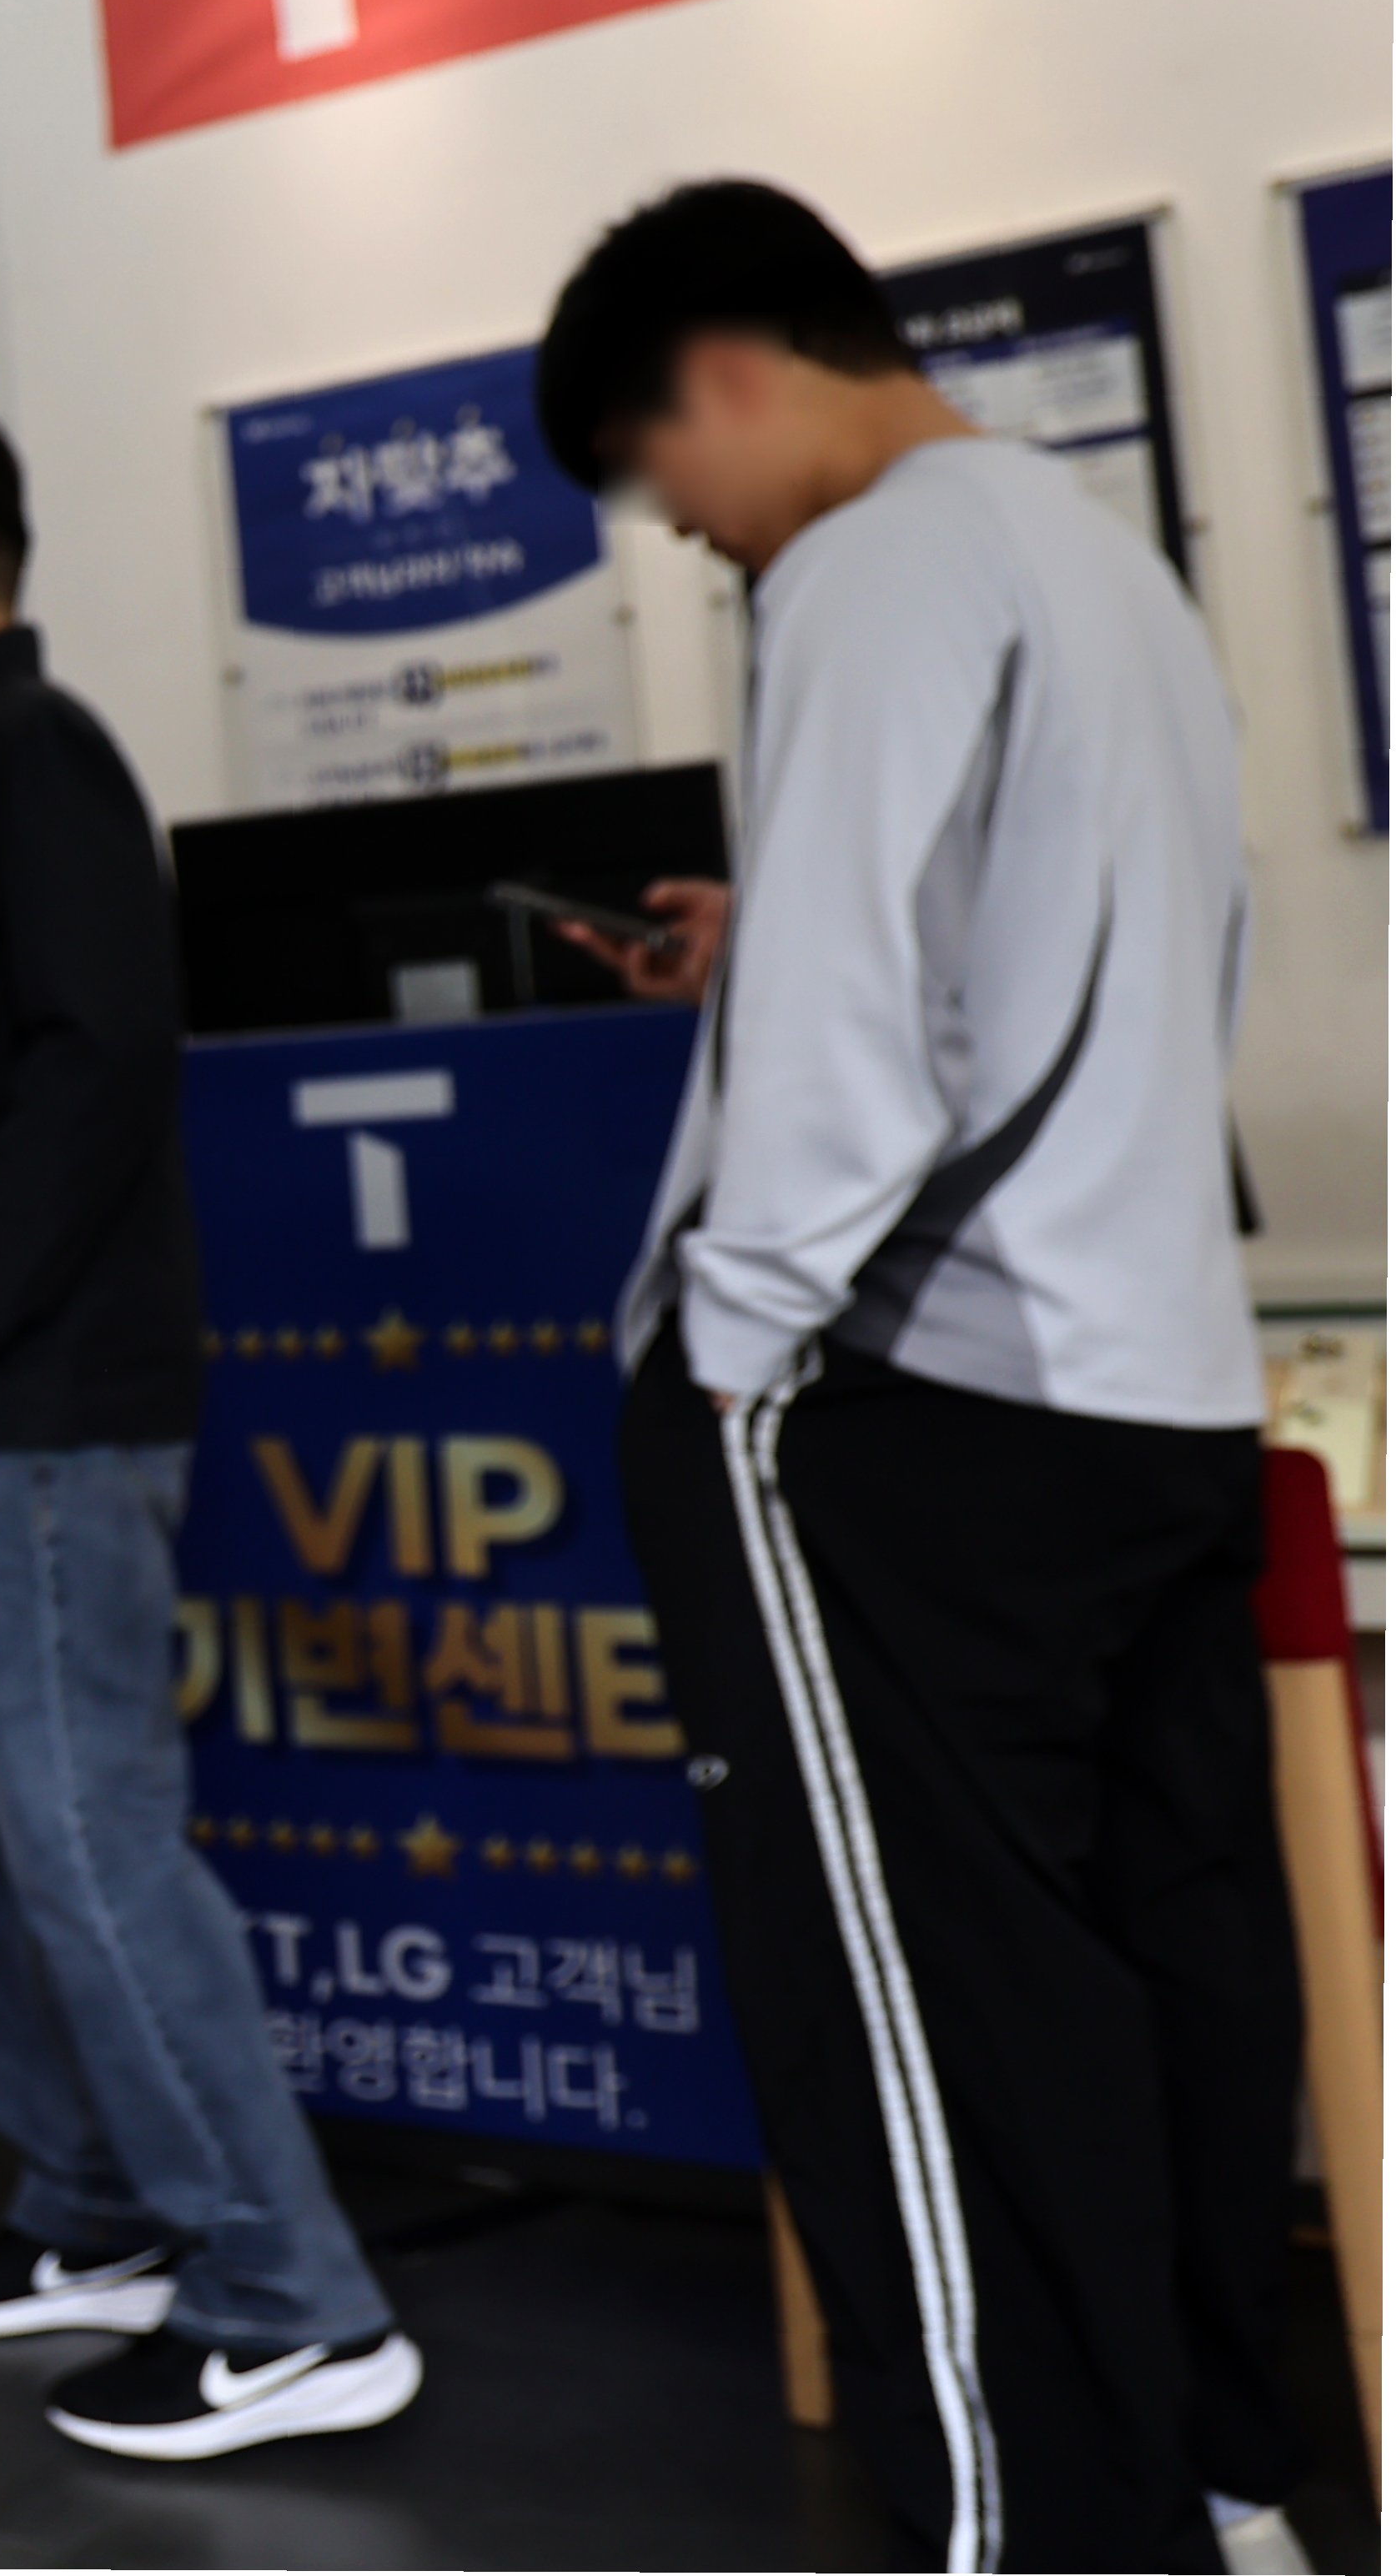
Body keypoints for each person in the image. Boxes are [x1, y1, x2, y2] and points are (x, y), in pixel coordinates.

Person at [536, 182, 1308, 2576]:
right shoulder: (1100, 563)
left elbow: (860, 1040)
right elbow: (1104, 949)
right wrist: (766, 942)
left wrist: (728, 1354)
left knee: (924, 2031)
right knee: (1166, 1978)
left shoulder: (868, 564)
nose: (683, 522)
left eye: (659, 465)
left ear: (730, 364)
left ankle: (1034, 2531)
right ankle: (1227, 2492)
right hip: (1148, 1383)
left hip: (908, 1408)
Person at [0, 402, 419, 2461]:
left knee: (90, 1837)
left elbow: (102, 1057)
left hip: (35, 1399)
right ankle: (98, 2204)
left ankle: (293, 2294)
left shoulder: (31, 754)